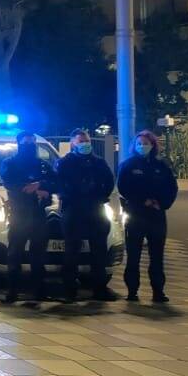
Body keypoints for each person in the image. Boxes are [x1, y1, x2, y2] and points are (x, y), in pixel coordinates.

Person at [55, 129, 119, 302]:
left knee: (99, 251)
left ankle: (99, 288)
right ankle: (69, 289)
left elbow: (109, 182)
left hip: (95, 208)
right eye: (81, 141)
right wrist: (76, 195)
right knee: (72, 251)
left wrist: (98, 196)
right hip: (74, 210)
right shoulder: (65, 163)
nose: (85, 144)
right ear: (73, 143)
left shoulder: (98, 163)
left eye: (87, 140)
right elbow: (60, 185)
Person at [117, 130, 177, 303]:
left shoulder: (161, 166)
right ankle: (132, 292)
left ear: (153, 145)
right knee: (133, 256)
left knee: (157, 256)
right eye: (140, 144)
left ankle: (158, 291)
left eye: (146, 144)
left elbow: (172, 188)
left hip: (157, 216)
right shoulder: (128, 165)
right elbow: (123, 187)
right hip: (136, 214)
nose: (143, 146)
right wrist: (142, 201)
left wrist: (162, 203)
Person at [0, 131, 57, 303]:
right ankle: (12, 291)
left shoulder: (43, 164)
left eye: (32, 143)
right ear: (19, 144)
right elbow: (10, 182)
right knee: (15, 253)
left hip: (39, 214)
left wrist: (41, 185)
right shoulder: (10, 163)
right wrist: (32, 188)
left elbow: (55, 182)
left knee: (38, 255)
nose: (30, 146)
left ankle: (39, 291)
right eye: (26, 143)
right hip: (19, 214)